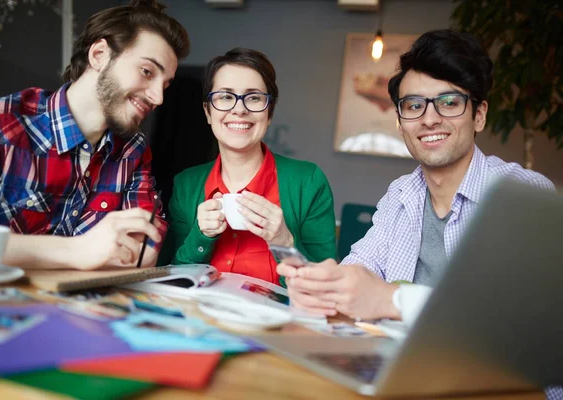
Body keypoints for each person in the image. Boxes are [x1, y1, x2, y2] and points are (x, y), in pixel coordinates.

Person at [277, 29, 555, 318]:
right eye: (414, 106)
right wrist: (323, 287)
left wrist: (390, 299)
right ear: (400, 123)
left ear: (480, 115)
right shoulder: (400, 194)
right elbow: (360, 267)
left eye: (449, 103)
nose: (430, 119)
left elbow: (519, 311)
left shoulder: (523, 194)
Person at [0, 0, 190, 270]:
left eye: (164, 85)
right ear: (99, 55)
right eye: (146, 72)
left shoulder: (133, 150)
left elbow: (143, 246)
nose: (158, 97)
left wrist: (143, 247)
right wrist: (74, 251)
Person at [161, 48, 336, 286]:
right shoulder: (186, 185)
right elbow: (172, 281)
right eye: (225, 97)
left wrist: (284, 241)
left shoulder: (308, 182)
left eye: (253, 97)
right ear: (207, 112)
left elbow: (325, 286)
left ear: (269, 112)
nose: (239, 109)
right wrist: (200, 236)